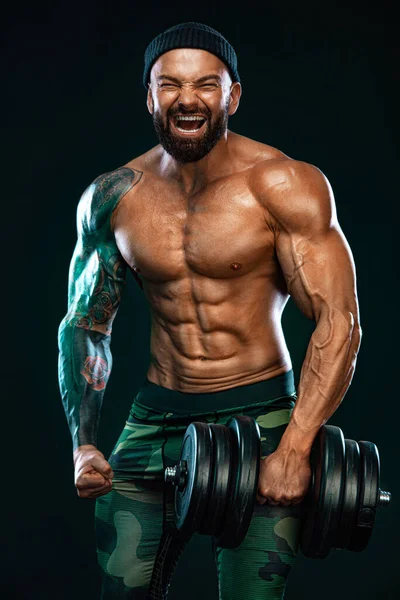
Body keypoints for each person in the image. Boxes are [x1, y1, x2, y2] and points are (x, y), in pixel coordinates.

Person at [58, 21, 362, 600]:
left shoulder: (283, 184)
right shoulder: (112, 197)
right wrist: (85, 441)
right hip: (154, 417)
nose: (187, 99)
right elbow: (85, 322)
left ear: (233, 95)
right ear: (150, 96)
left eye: (206, 84)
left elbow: (339, 319)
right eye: (169, 85)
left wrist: (296, 448)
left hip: (263, 418)